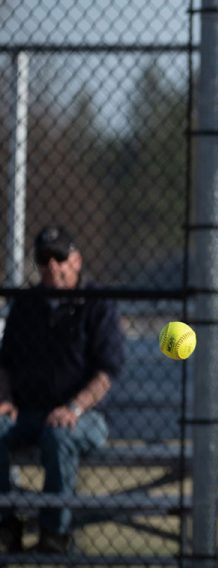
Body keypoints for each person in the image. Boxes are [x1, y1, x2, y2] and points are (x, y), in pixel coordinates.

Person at [0, 226, 124, 554]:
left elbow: (106, 372)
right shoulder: (26, 306)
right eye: (44, 259)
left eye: (60, 257)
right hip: (27, 411)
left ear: (77, 260)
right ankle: (5, 526)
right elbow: (5, 362)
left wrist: (74, 408)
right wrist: (5, 398)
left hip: (84, 415)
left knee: (59, 434)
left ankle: (54, 533)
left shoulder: (97, 304)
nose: (52, 266)